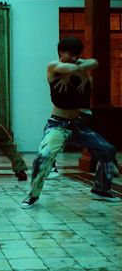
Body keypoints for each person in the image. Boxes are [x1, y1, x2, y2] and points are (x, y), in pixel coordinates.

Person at [21, 36, 121, 209]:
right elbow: (65, 67)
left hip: (78, 125)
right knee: (44, 157)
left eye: (77, 54)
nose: (74, 58)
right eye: (70, 54)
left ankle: (100, 190)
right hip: (57, 125)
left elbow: (94, 62)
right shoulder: (53, 67)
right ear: (61, 52)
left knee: (107, 150)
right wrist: (77, 70)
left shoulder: (78, 67)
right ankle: (32, 196)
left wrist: (77, 68)